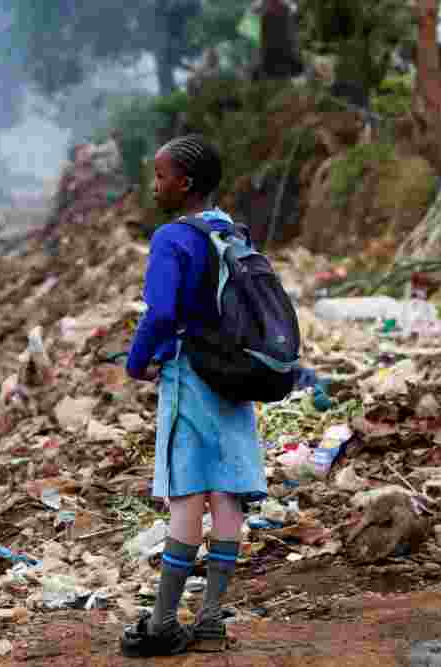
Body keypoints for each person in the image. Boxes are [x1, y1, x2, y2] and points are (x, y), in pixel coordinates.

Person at [120, 135, 267, 657]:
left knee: (187, 493)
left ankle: (162, 622)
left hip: (191, 375)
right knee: (228, 494)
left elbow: (160, 312)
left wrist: (137, 362)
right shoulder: (233, 229)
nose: (154, 184)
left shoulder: (171, 238)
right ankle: (210, 622)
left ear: (183, 183)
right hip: (237, 376)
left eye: (159, 176)